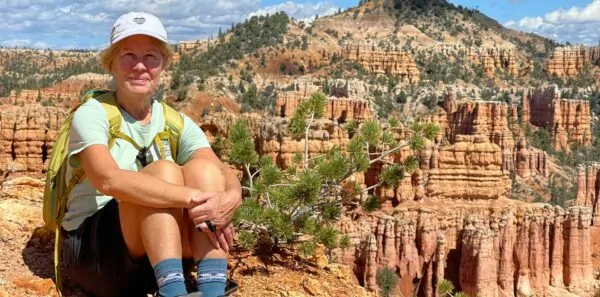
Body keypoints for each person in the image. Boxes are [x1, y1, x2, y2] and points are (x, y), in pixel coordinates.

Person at [60, 11, 242, 297]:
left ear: (164, 65)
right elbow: (109, 180)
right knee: (163, 172)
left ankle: (212, 289)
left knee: (204, 171)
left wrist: (231, 197)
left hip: (157, 255)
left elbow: (220, 170)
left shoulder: (174, 120)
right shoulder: (92, 113)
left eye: (151, 57)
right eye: (129, 55)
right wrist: (194, 198)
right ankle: (172, 292)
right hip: (97, 257)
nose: (140, 66)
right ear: (111, 64)